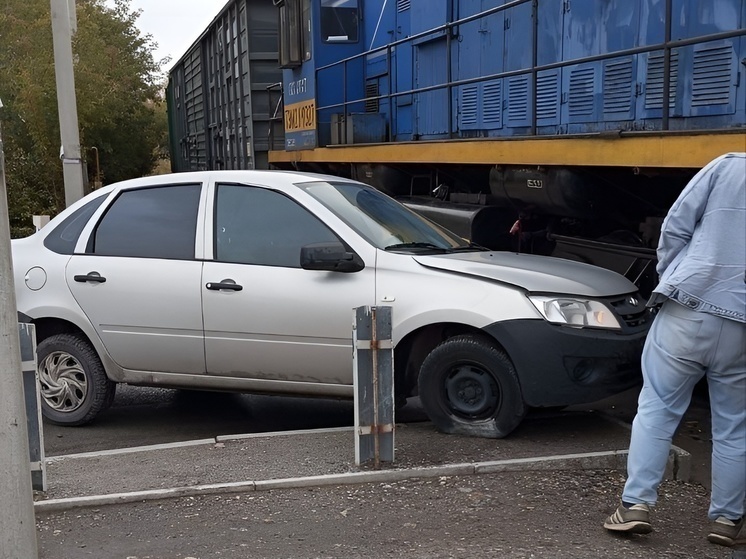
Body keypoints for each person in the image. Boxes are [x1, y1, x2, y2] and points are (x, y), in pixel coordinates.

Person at [603, 152, 746, 546]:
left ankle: (635, 506)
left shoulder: (730, 165)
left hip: (690, 306)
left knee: (658, 408)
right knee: (735, 424)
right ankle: (727, 521)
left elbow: (676, 226)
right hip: (742, 324)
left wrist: (673, 277)